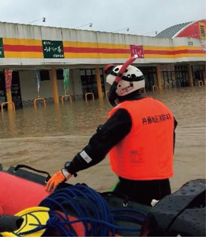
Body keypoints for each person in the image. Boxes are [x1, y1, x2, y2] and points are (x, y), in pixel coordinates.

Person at [45, 62, 178, 206]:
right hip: (163, 186)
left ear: (120, 88)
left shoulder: (125, 113)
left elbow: (96, 149)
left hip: (134, 189)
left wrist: (68, 170)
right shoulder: (162, 108)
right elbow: (167, 136)